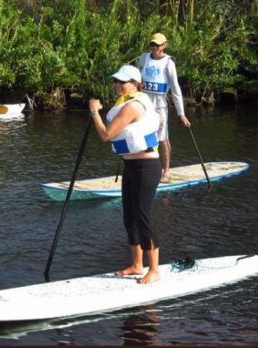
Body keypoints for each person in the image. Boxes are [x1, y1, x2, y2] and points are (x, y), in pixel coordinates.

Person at [89, 65, 161, 284]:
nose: (118, 85)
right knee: (129, 218)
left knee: (142, 217)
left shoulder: (133, 106)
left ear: (135, 84)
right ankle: (137, 264)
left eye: (123, 82)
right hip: (130, 167)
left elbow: (107, 135)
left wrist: (94, 112)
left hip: (146, 168)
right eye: (116, 81)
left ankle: (154, 270)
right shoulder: (123, 104)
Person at [138, 33, 190, 183]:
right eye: (152, 45)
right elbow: (136, 78)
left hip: (160, 105)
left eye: (158, 45)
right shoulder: (144, 58)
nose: (155, 48)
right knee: (142, 135)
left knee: (162, 138)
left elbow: (175, 89)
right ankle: (145, 169)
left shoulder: (168, 63)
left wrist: (181, 114)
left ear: (164, 45)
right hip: (144, 104)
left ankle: (166, 171)